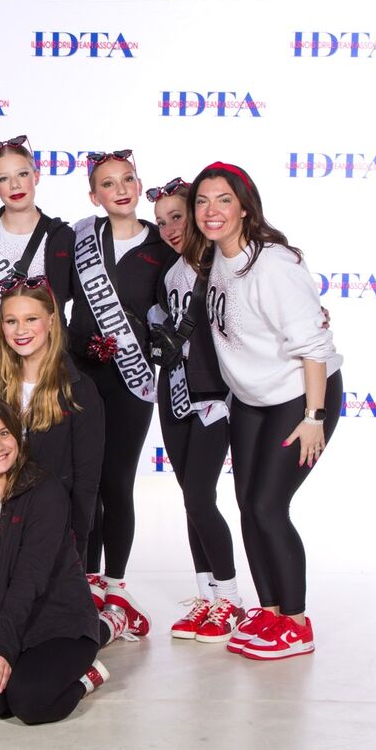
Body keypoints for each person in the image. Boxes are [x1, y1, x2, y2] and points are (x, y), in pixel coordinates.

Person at [190, 161, 343, 660]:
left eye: (224, 200)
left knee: (267, 506)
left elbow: (314, 346)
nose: (211, 210)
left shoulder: (272, 264)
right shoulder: (215, 257)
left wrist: (314, 418)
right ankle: (272, 611)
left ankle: (297, 624)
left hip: (300, 395)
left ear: (245, 207)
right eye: (202, 201)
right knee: (246, 506)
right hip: (253, 400)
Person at [68, 150, 177, 634]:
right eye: (108, 184)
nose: (120, 190)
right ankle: (85, 583)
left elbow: (175, 311)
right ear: (95, 196)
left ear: (138, 184)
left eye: (128, 179)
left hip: (132, 381)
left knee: (117, 483)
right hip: (80, 376)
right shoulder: (79, 238)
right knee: (83, 483)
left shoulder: (162, 246)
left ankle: (114, 585)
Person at [0, 394, 108, 723]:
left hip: (59, 625)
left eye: (3, 433)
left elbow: (29, 579)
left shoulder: (45, 492)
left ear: (17, 435)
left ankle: (86, 678)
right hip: (9, 621)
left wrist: (3, 647)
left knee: (29, 702)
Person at [147, 177, 241, 642]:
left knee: (201, 496)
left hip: (213, 397)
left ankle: (231, 600)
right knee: (191, 498)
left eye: (177, 217)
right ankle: (208, 596)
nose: (169, 229)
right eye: (161, 222)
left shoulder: (223, 264)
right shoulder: (169, 274)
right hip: (175, 392)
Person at [0, 278, 106, 574]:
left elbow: (87, 481)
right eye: (11, 321)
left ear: (51, 321)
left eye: (31, 319)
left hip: (55, 531)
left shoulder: (79, 390)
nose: (20, 330)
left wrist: (76, 546)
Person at [0, 136, 74, 321]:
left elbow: (67, 293)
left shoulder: (63, 236)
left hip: (49, 338)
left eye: (22, 174)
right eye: (3, 178)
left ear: (36, 176)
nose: (15, 185)